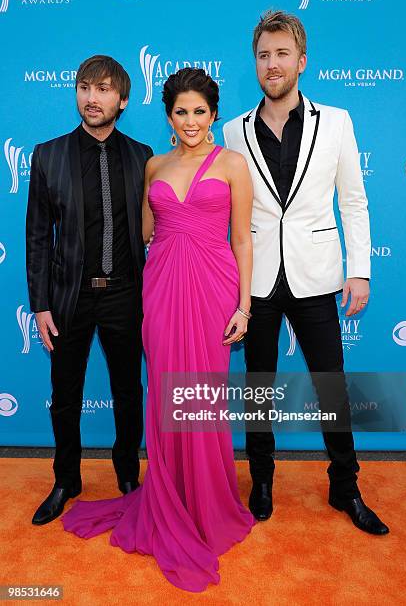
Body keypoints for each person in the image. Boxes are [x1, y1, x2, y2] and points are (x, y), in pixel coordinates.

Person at [62, 68, 255, 592]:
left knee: (204, 395)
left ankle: (206, 501)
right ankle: (169, 494)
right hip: (163, 286)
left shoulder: (234, 164)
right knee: (168, 392)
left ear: (213, 114)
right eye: (180, 111)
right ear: (167, 115)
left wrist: (244, 306)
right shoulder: (154, 164)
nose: (190, 121)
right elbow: (147, 232)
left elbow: (242, 240)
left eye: (199, 110)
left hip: (215, 288)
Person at [223, 10, 389, 535]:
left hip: (317, 275)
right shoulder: (232, 130)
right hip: (258, 279)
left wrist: (358, 271)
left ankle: (346, 486)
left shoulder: (336, 121)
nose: (272, 65)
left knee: (331, 387)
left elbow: (354, 202)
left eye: (281, 54)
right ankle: (263, 481)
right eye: (263, 55)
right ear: (255, 63)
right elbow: (226, 210)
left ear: (302, 60)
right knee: (258, 388)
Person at [26, 55, 152, 526]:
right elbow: (38, 236)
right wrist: (40, 304)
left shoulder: (143, 158)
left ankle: (127, 476)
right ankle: (66, 480)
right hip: (68, 297)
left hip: (125, 294)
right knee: (65, 393)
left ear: (122, 99)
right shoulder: (47, 155)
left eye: (102, 89)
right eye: (84, 87)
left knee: (127, 391)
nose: (91, 98)